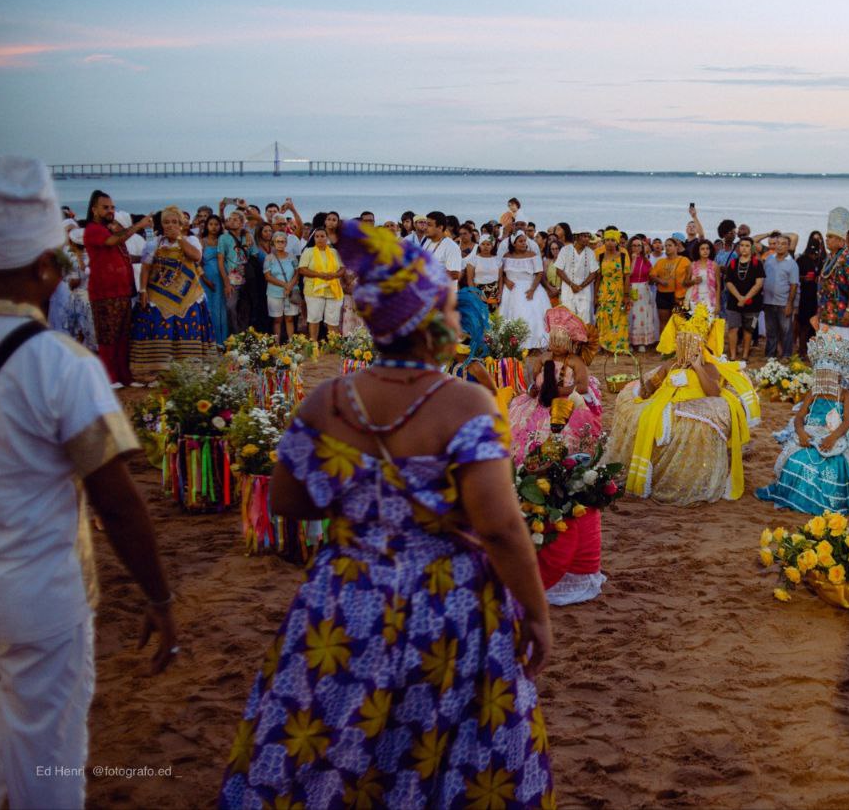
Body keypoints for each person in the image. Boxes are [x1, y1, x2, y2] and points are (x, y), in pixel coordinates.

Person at [220, 220, 554, 809]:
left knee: (338, 746)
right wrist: (536, 614)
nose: (459, 319)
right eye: (450, 308)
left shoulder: (329, 399)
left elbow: (288, 501)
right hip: (446, 603)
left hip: (345, 597)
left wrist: (366, 504)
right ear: (426, 321)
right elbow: (500, 526)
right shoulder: (465, 401)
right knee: (443, 748)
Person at [0, 157, 176, 809]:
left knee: (11, 711)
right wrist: (160, 598)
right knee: (51, 760)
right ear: (41, 268)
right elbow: (117, 501)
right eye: (58, 260)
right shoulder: (60, 363)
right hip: (40, 597)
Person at [604, 308, 751, 505]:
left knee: (682, 425)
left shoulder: (709, 367)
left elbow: (713, 392)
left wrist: (697, 367)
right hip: (665, 404)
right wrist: (644, 386)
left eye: (692, 345)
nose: (687, 350)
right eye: (683, 344)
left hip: (694, 406)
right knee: (647, 417)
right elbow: (651, 388)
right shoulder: (670, 366)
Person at [757, 335, 849, 514]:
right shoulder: (813, 393)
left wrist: (833, 437)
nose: (825, 380)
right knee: (796, 461)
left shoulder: (845, 395)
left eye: (829, 376)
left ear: (838, 376)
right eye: (822, 375)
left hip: (835, 436)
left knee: (837, 465)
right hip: (810, 436)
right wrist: (801, 433)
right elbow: (799, 417)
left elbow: (848, 420)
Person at [128, 207, 214, 382]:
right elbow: (146, 268)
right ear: (161, 224)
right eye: (167, 222)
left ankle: (189, 370)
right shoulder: (154, 244)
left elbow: (196, 257)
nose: (170, 225)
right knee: (159, 329)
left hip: (188, 296)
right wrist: (142, 290)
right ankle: (158, 371)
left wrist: (179, 238)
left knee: (186, 330)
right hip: (158, 295)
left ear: (181, 224)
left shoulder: (190, 240)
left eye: (174, 222)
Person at [507, 312, 602, 463]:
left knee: (562, 432)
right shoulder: (544, 358)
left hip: (565, 404)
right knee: (526, 427)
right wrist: (534, 388)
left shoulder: (574, 361)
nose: (556, 346)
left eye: (561, 342)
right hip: (541, 401)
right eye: (553, 341)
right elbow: (534, 377)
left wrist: (558, 392)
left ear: (570, 342)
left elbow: (582, 387)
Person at [83, 189, 149, 386]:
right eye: (105, 207)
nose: (110, 210)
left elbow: (122, 249)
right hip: (104, 292)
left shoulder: (109, 228)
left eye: (112, 207)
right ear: (94, 209)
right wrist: (139, 225)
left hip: (122, 291)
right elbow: (114, 241)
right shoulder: (93, 229)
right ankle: (109, 377)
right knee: (108, 336)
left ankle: (124, 376)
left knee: (122, 337)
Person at [816, 208, 849, 388]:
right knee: (827, 346)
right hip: (826, 309)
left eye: (830, 237)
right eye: (827, 236)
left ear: (840, 240)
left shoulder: (847, 258)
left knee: (843, 343)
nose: (826, 240)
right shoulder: (831, 257)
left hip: (840, 310)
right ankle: (831, 378)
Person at [498, 231, 550, 350]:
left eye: (524, 241)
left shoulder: (533, 255)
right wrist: (506, 280)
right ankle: (514, 345)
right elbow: (502, 273)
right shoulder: (506, 256)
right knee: (512, 316)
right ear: (514, 243)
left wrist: (532, 289)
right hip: (511, 290)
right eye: (520, 241)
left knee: (532, 316)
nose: (524, 243)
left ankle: (535, 345)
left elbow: (539, 273)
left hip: (530, 288)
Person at [297, 227, 345, 342]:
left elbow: (343, 269)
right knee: (314, 318)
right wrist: (319, 275)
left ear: (327, 238)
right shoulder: (308, 251)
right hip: (313, 290)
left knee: (332, 320)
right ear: (314, 238)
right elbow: (302, 270)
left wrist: (334, 275)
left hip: (333, 290)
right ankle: (313, 344)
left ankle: (333, 345)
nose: (319, 239)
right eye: (317, 236)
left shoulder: (334, 252)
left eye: (322, 236)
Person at [724, 237, 765, 361]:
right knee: (733, 328)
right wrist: (739, 298)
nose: (744, 248)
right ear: (739, 247)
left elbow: (759, 284)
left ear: (751, 248)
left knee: (749, 329)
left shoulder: (757, 264)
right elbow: (729, 282)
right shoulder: (733, 263)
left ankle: (745, 354)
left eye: (747, 245)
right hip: (734, 302)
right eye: (742, 245)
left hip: (753, 303)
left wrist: (746, 298)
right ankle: (732, 355)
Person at [762, 234, 799, 360]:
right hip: (768, 301)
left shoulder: (792, 264)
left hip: (783, 302)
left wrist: (790, 304)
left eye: (783, 244)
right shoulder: (769, 259)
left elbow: (794, 286)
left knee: (786, 331)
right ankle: (770, 354)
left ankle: (786, 354)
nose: (780, 246)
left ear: (788, 246)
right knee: (771, 330)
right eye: (778, 243)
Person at [595, 230, 630, 354]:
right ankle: (604, 345)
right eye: (607, 240)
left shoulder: (623, 256)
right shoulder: (600, 256)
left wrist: (626, 295)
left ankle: (617, 347)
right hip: (604, 292)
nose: (610, 243)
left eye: (612, 240)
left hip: (619, 292)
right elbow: (598, 277)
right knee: (603, 318)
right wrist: (595, 296)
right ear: (604, 241)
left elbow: (627, 276)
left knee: (618, 318)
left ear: (617, 242)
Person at [554, 229, 599, 324]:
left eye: (588, 236)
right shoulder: (565, 250)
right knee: (568, 318)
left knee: (584, 318)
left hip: (584, 289)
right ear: (577, 237)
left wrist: (581, 286)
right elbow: (559, 270)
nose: (587, 239)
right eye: (584, 236)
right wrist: (571, 285)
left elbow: (593, 273)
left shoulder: (590, 252)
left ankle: (582, 339)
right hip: (568, 288)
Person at [262, 231, 299, 342]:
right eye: (277, 241)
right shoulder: (269, 258)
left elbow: (297, 273)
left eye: (282, 241)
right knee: (277, 319)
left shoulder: (292, 257)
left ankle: (291, 342)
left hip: (291, 291)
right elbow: (267, 276)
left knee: (290, 318)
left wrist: (289, 286)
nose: (280, 244)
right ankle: (277, 343)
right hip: (274, 293)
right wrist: (285, 285)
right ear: (273, 243)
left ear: (286, 243)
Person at [199, 214, 228, 346]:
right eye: (211, 224)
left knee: (222, 308)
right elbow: (197, 264)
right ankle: (212, 340)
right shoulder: (202, 241)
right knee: (210, 308)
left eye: (216, 224)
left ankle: (224, 340)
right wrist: (205, 279)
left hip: (223, 278)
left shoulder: (223, 240)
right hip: (207, 279)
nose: (214, 227)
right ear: (206, 226)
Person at [649, 236, 690, 332]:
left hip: (678, 295)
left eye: (670, 245)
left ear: (676, 247)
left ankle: (677, 345)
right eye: (666, 245)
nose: (667, 247)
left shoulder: (684, 260)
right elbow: (652, 275)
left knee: (678, 322)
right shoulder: (660, 262)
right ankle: (664, 346)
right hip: (662, 294)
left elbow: (690, 276)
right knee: (664, 322)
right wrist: (660, 281)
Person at [794, 231, 825, 357]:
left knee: (814, 326)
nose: (814, 255)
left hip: (816, 297)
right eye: (812, 252)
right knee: (803, 325)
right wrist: (804, 278)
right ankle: (802, 352)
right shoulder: (801, 260)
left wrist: (819, 278)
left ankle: (811, 352)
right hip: (804, 296)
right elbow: (795, 277)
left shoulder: (821, 261)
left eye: (816, 252)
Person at [627, 236, 657, 351]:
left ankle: (641, 343)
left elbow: (651, 275)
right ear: (630, 246)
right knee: (630, 316)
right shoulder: (627, 259)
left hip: (644, 290)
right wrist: (633, 260)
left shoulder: (646, 260)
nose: (636, 248)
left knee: (642, 316)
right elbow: (628, 273)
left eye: (639, 245)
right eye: (634, 245)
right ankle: (629, 342)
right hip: (630, 288)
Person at [684, 238, 722, 314]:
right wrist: (693, 281)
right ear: (698, 251)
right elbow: (685, 283)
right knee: (696, 323)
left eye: (707, 249)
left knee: (710, 323)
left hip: (710, 298)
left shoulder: (715, 265)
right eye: (702, 249)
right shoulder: (692, 265)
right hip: (695, 299)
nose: (705, 251)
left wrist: (718, 304)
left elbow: (718, 286)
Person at [464, 233, 501, 306]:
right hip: (478, 291)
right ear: (479, 245)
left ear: (492, 246)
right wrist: (475, 294)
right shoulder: (473, 260)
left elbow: (500, 278)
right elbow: (470, 279)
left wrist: (500, 293)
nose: (485, 246)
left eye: (488, 244)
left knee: (493, 316)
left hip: (494, 292)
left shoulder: (497, 260)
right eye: (483, 244)